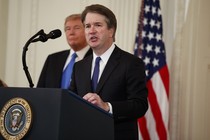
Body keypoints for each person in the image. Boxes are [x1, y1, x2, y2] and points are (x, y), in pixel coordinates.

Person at [69, 4, 148, 140]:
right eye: (87, 26)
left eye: (98, 25)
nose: (91, 31)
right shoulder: (79, 67)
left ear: (111, 31)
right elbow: (71, 102)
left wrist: (107, 106)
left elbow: (139, 105)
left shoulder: (131, 63)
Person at [37, 14, 92, 88]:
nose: (71, 33)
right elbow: (41, 90)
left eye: (77, 28)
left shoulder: (95, 58)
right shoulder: (53, 59)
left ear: (87, 31)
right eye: (68, 29)